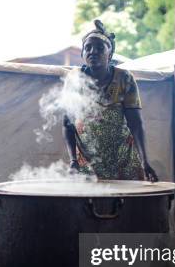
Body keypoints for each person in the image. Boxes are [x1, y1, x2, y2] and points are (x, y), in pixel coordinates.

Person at [63, 20, 158, 182]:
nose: (93, 51)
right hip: (87, 162)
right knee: (90, 205)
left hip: (123, 159)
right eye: (88, 48)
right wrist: (73, 161)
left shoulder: (124, 78)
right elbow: (68, 124)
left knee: (126, 204)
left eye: (100, 48)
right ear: (82, 54)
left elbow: (135, 123)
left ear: (110, 54)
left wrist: (145, 161)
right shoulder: (74, 79)